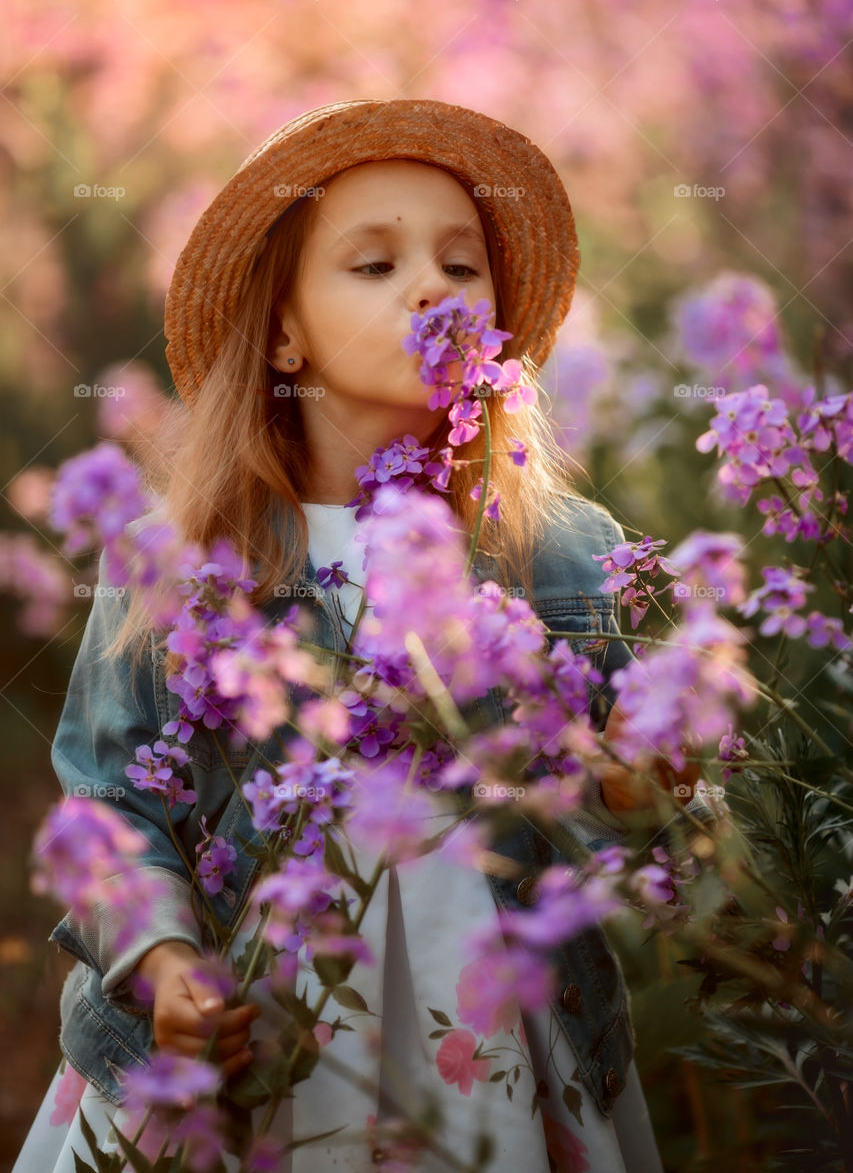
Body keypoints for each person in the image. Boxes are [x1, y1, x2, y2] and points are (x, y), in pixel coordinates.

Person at [14, 98, 706, 1172]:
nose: (431, 288)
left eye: (461, 267)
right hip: (260, 1032)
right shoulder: (184, 555)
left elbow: (630, 846)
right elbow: (112, 801)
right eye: (374, 266)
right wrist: (159, 960)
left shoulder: (561, 550)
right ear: (284, 330)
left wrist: (636, 791)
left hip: (489, 1032)